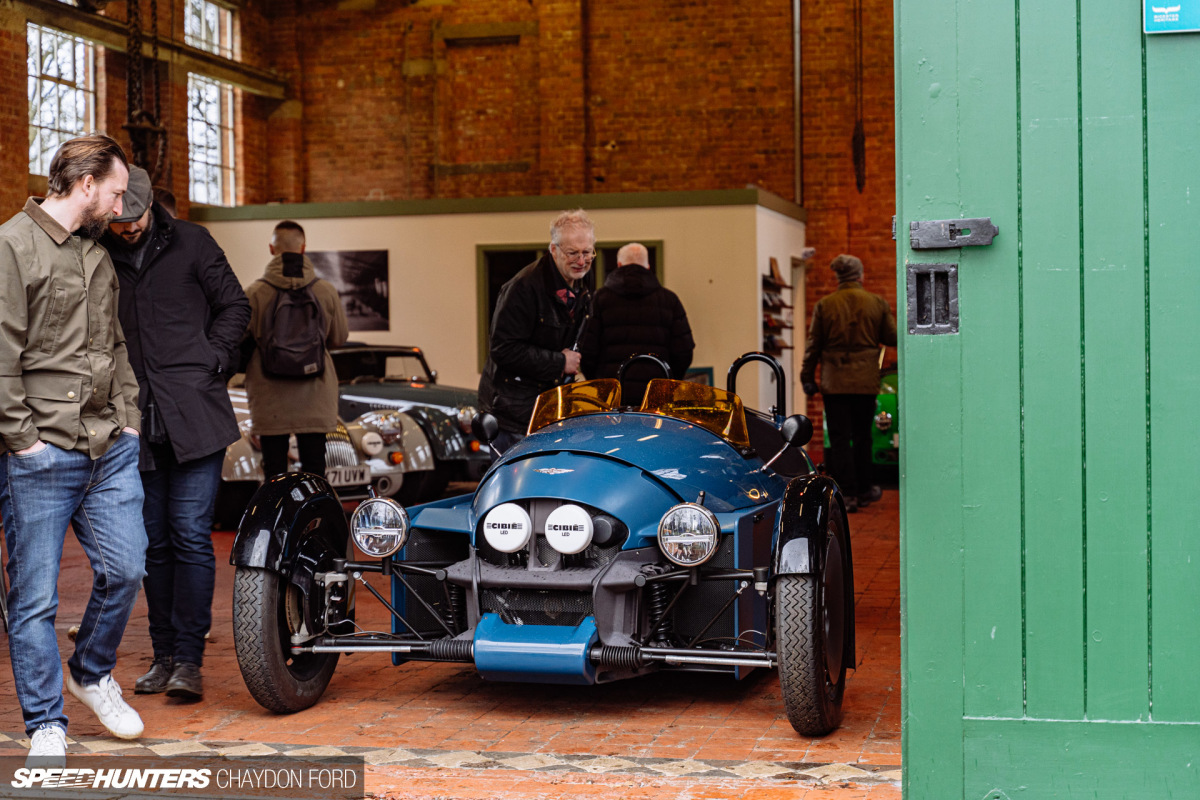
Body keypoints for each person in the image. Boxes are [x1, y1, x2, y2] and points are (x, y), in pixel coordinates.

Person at [0, 134, 146, 764]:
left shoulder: (99, 255)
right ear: (86, 184)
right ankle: (45, 726)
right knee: (33, 598)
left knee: (128, 568)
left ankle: (89, 671)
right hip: (41, 452)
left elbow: (114, 345)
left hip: (108, 445)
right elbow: (1, 354)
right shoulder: (11, 245)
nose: (120, 204)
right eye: (115, 191)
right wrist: (22, 441)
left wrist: (131, 417)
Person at [101, 167, 250, 702]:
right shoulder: (97, 250)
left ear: (149, 207)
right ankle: (163, 656)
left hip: (194, 413)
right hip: (132, 417)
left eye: (133, 219)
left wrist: (213, 357)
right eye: (116, 222)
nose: (126, 229)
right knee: (151, 544)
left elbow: (236, 305)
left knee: (189, 535)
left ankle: (189, 659)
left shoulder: (192, 241)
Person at [478, 210, 595, 453]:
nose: (582, 261)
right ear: (553, 250)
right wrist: (560, 362)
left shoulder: (579, 285)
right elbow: (503, 349)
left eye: (587, 252)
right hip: (513, 413)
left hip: (547, 409)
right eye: (573, 253)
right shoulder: (523, 288)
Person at [243, 220, 348, 478]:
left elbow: (239, 340)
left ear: (271, 249)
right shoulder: (325, 290)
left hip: (269, 396)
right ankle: (315, 517)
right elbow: (339, 338)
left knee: (274, 472)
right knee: (315, 470)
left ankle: (278, 518)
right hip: (315, 392)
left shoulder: (254, 293)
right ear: (303, 249)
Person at [800, 254, 897, 512]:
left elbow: (813, 345)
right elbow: (891, 337)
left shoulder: (825, 305)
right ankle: (866, 489)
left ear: (838, 276)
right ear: (860, 275)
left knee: (840, 439)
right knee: (864, 436)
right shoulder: (877, 303)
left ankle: (847, 494)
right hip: (866, 381)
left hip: (835, 381)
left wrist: (806, 376)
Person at [579, 242, 694, 405]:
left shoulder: (598, 300)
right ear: (648, 266)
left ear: (618, 265)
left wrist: (602, 384)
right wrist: (668, 383)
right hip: (656, 395)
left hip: (613, 396)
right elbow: (684, 352)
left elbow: (587, 351)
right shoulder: (669, 300)